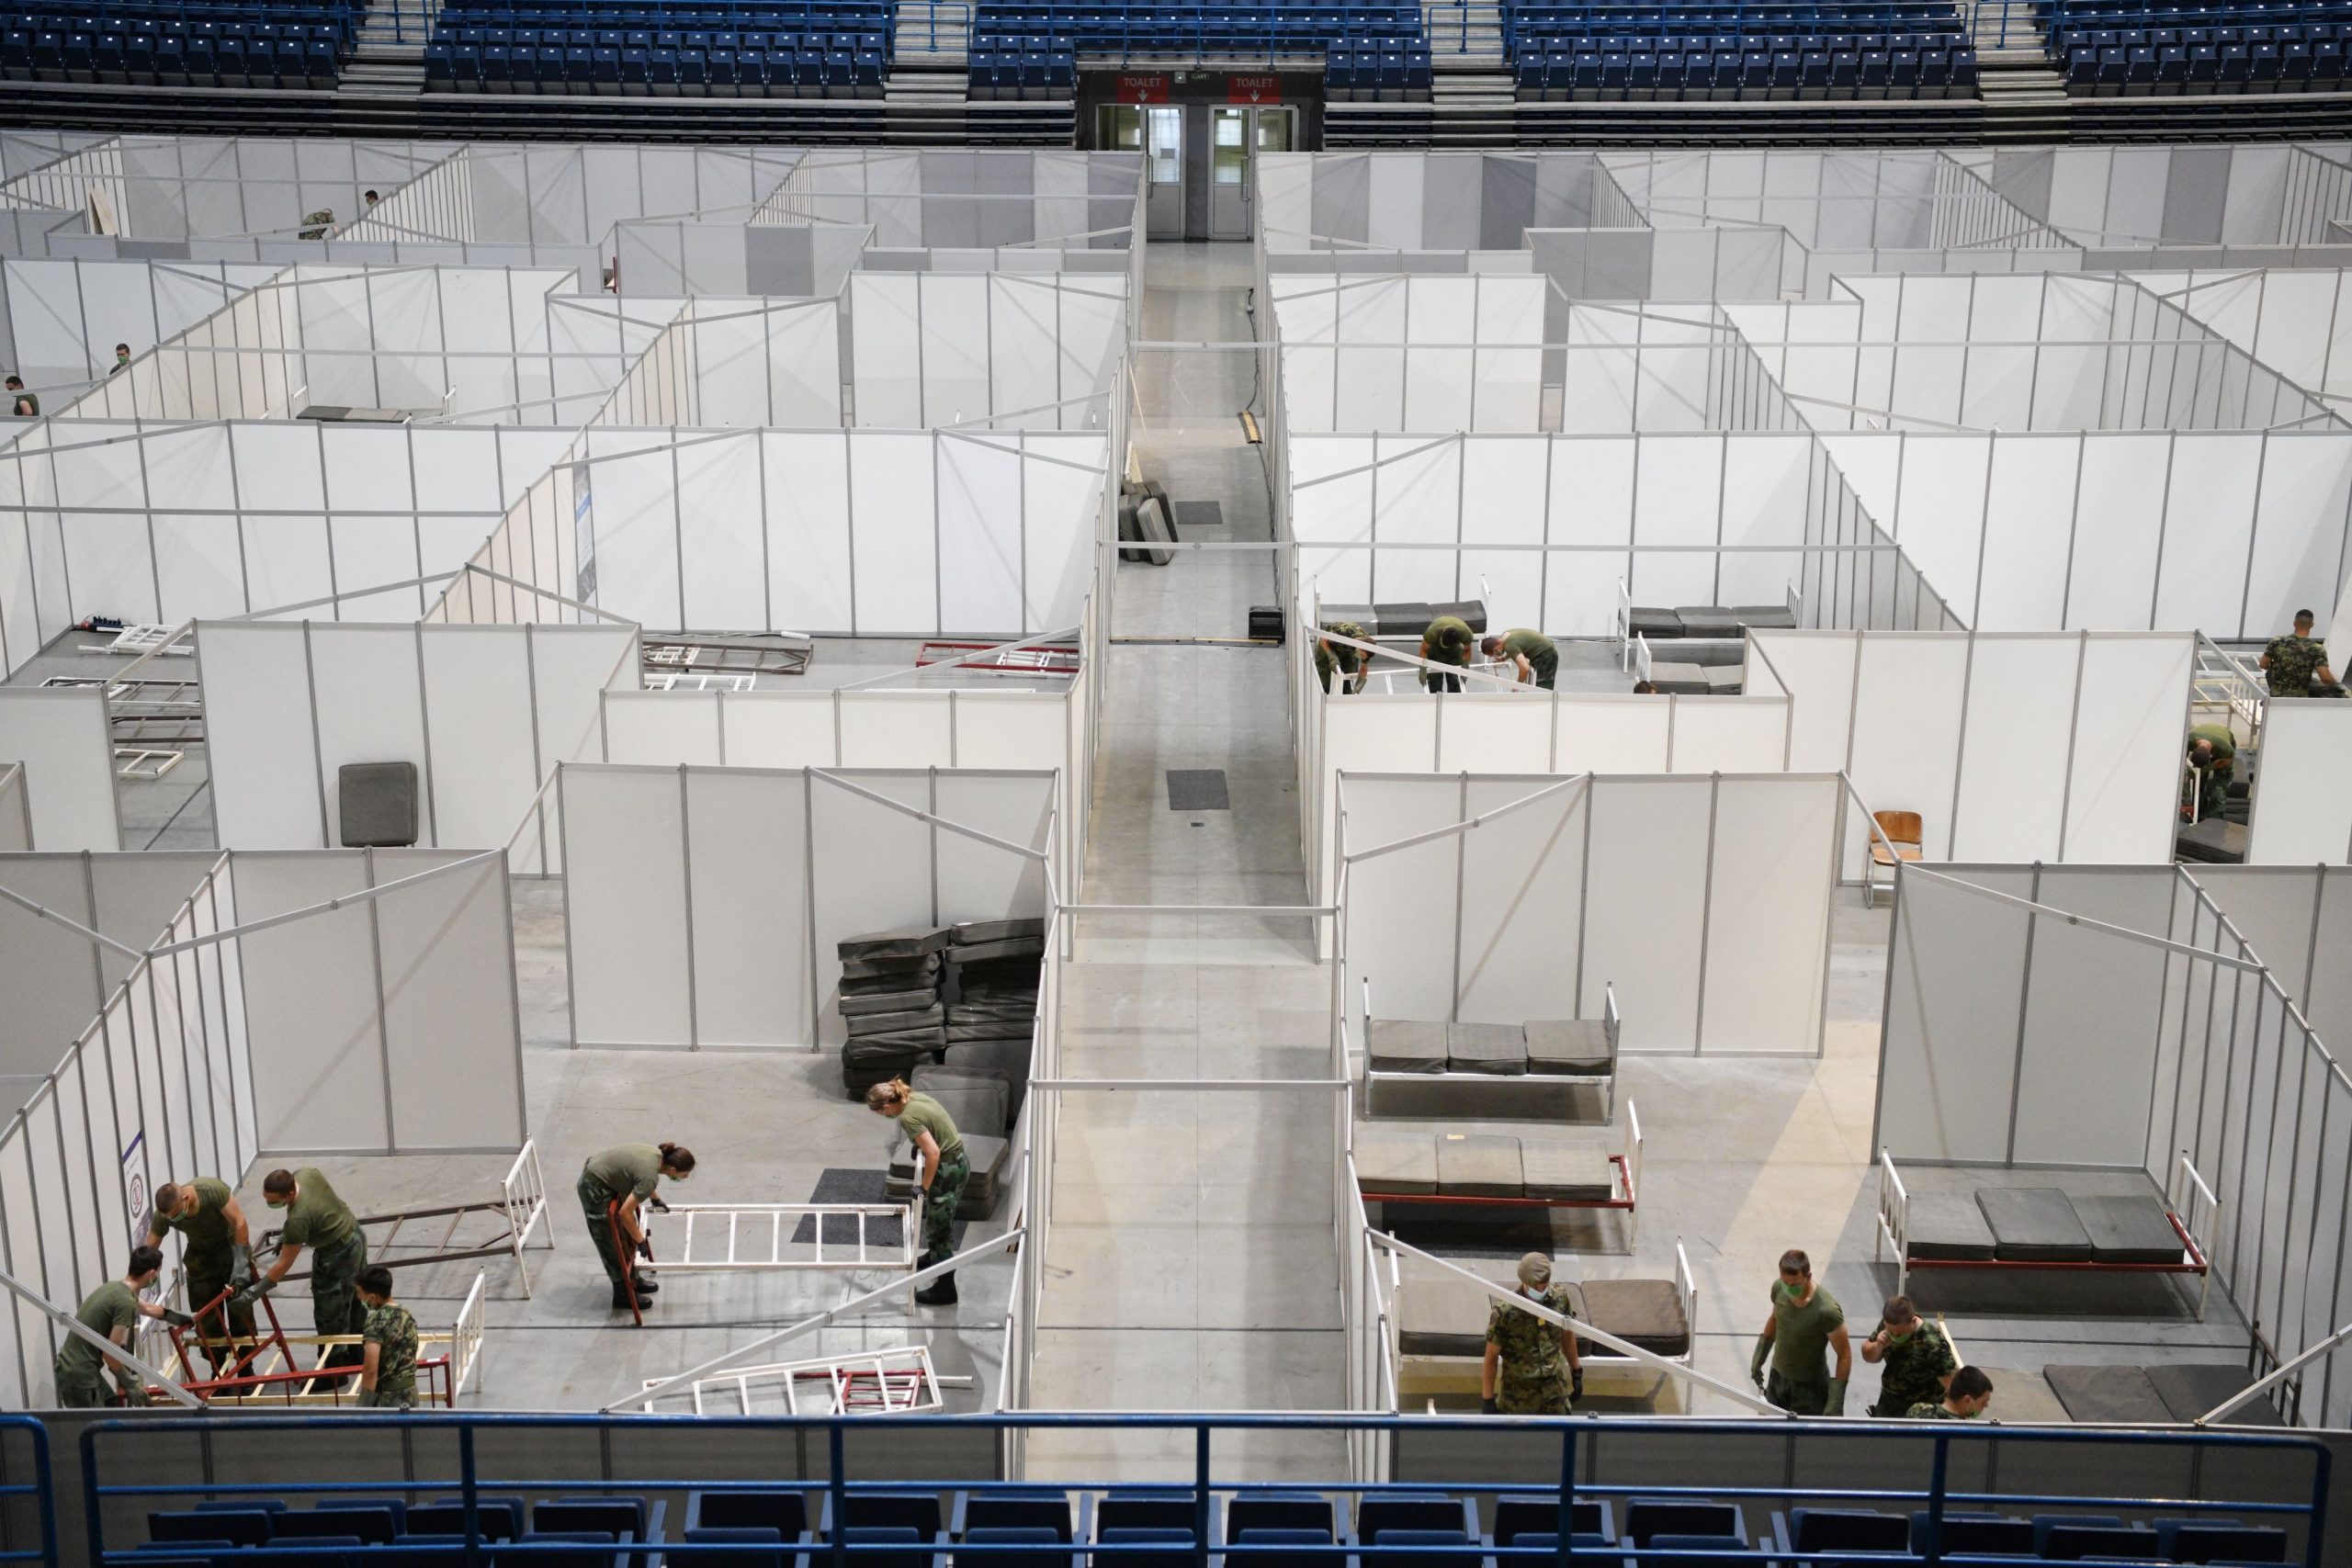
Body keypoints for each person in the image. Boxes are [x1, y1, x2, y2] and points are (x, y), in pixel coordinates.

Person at [237, 1167, 368, 1381]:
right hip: (355, 1234)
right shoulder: (306, 1174)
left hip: (337, 1253)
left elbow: (285, 1263)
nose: (270, 1204)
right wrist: (287, 1235)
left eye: (274, 1201)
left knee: (330, 1311)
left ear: (290, 1194)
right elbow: (320, 1205)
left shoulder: (298, 1218)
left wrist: (254, 1293)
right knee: (356, 1297)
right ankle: (356, 1354)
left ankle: (334, 1371)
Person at [866, 1077, 966, 1305]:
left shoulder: (907, 1117)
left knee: (939, 1228)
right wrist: (920, 1143)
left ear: (887, 1107)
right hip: (957, 1160)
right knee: (937, 1220)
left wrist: (924, 1187)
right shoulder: (913, 1098)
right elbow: (934, 1125)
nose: (883, 1116)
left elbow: (934, 1154)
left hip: (947, 1169)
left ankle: (946, 1288)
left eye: (880, 1113)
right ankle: (933, 1256)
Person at [147, 1178, 254, 1371]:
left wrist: (240, 1264)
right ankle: (218, 1369)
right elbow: (150, 1248)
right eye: (170, 1217)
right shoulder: (165, 1214)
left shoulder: (212, 1191)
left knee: (240, 1310)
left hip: (229, 1248)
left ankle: (246, 1369)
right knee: (206, 1318)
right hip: (200, 1255)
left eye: (176, 1215)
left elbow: (239, 1223)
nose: (173, 1219)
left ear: (186, 1199)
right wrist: (146, 1273)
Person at [54, 1246, 182, 1407]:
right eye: (158, 1272)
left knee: (112, 1406)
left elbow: (147, 1308)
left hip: (75, 1367)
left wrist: (178, 1318)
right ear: (151, 1274)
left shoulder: (115, 1288)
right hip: (79, 1375)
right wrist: (131, 1384)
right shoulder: (125, 1302)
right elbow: (110, 1352)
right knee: (98, 1421)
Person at [578, 1141, 693, 1311]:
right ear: (672, 1171)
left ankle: (633, 1279)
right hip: (594, 1187)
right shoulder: (650, 1177)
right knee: (610, 1240)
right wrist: (640, 1241)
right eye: (685, 1174)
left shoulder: (657, 1155)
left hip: (601, 1173)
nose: (686, 1177)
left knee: (626, 1232)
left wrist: (655, 1198)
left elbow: (643, 1178)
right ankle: (622, 1294)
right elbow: (625, 1213)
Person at [1749, 1248, 1851, 1416]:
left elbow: (1844, 1354)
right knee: (1772, 1427)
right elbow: (1775, 1318)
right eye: (1785, 1283)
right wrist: (1760, 1355)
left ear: (1808, 1277)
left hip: (1810, 1387)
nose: (1789, 1289)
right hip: (1778, 1380)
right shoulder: (1778, 1289)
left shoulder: (1826, 1311)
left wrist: (1835, 1401)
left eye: (1795, 1285)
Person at [1480, 1252, 1583, 1416]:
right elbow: (1491, 1357)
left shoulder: (1559, 1298)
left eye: (1544, 1285)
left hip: (1554, 1391)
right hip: (1518, 1396)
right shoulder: (1506, 1311)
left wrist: (1576, 1371)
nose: (1541, 1290)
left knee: (1559, 1431)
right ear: (1525, 1281)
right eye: (1536, 1287)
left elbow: (1567, 1335)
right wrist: (1487, 1399)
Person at [1860, 1294, 1955, 1418]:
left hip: (1920, 1411)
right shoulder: (1889, 1325)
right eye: (1891, 1332)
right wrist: (1878, 1345)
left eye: (1900, 1333)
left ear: (1913, 1320)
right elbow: (1867, 1355)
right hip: (1889, 1402)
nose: (1894, 1336)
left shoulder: (1933, 1344)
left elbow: (1951, 1386)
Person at [354, 1265, 418, 1409]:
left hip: (389, 1399)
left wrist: (363, 1406)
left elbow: (371, 1369)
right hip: (411, 1393)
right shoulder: (406, 1315)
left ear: (372, 1297)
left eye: (360, 1294)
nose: (358, 1298)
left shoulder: (376, 1322)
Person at [2260, 610, 2334, 699]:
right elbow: (2325, 678)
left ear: (2294, 623)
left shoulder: (2277, 642)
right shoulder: (2316, 649)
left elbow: (2263, 665)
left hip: (2277, 697)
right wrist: (2336, 686)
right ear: (2312, 625)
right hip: (2300, 699)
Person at [2186, 725, 2236, 822]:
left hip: (2223, 741)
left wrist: (2208, 768)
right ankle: (2199, 812)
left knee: (2219, 786)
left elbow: (2226, 762)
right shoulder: (2187, 741)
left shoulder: (2226, 748)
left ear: (2210, 754)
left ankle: (2214, 820)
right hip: (2203, 732)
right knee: (2198, 781)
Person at [1906, 1364, 1994, 1420]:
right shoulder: (1965, 1433)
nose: (1986, 1406)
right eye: (1983, 1402)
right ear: (1967, 1400)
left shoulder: (1917, 1411)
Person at [1482, 629, 1558, 691]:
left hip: (1546, 654)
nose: (1496, 656)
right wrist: (1503, 658)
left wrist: (1517, 687)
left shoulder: (1510, 646)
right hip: (1543, 648)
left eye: (1493, 655)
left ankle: (1544, 704)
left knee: (1543, 687)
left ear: (1495, 650)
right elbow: (1515, 649)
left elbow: (1525, 669)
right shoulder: (1505, 636)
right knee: (1538, 685)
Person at [1419, 615, 1473, 694]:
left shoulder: (1466, 633)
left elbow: (1467, 650)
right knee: (1434, 683)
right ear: (1443, 631)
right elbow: (1423, 650)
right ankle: (1435, 698)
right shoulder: (1432, 631)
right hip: (1435, 649)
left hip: (1455, 650)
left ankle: (1454, 699)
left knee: (1455, 681)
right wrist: (1423, 669)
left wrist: (1465, 665)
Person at [1315, 620, 1371, 695]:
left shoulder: (1368, 647)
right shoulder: (1343, 632)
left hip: (1349, 649)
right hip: (1329, 645)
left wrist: (1358, 687)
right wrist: (1332, 657)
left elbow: (1364, 666)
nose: (1362, 657)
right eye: (1361, 655)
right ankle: (1324, 695)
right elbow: (1323, 639)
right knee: (1325, 676)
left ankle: (1346, 694)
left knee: (1349, 672)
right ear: (1359, 647)